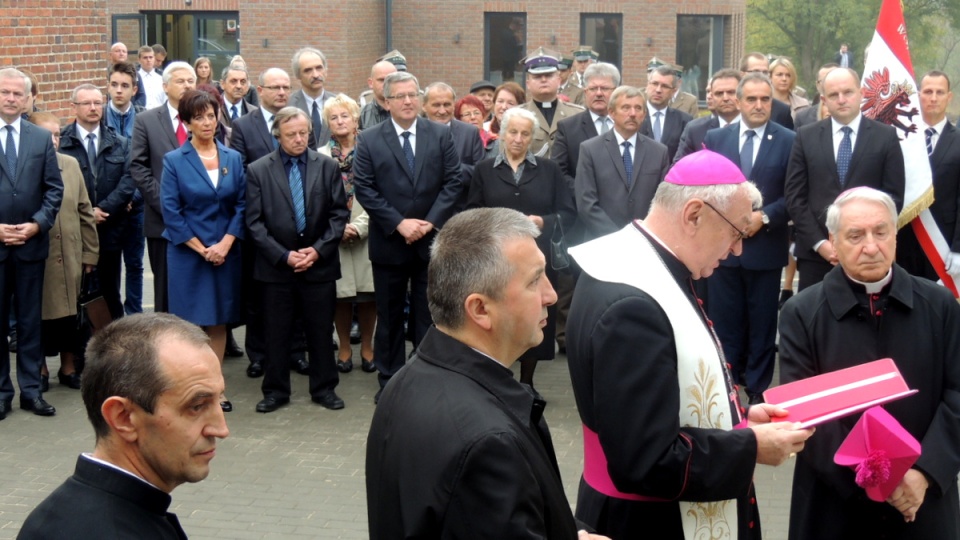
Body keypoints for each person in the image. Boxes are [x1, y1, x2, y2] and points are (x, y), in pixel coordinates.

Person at [566, 149, 814, 539]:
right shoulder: (633, 302)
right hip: (651, 523)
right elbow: (646, 459)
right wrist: (750, 447)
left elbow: (669, 392)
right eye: (735, 232)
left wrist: (740, 420)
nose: (736, 250)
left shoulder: (634, 262)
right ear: (694, 214)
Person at [365, 207, 607, 540]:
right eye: (535, 280)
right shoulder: (490, 443)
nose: (550, 295)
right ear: (480, 309)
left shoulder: (405, 383)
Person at [779, 187, 960, 540]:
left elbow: (957, 395)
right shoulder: (800, 313)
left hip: (921, 497)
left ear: (895, 234)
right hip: (835, 499)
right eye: (855, 235)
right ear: (833, 240)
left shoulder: (940, 306)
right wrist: (874, 481)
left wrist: (923, 473)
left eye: (881, 232)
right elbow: (804, 414)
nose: (871, 246)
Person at [17, 313, 230, 538]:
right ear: (124, 418)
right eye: (196, 406)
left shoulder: (68, 513)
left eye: (219, 399)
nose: (221, 429)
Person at [352, 71, 462, 403]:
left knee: (428, 315)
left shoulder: (439, 135)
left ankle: (427, 376)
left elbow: (453, 181)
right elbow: (365, 188)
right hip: (390, 242)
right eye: (400, 96)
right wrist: (399, 223)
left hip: (430, 241)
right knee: (389, 315)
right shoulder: (369, 139)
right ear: (386, 102)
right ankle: (390, 379)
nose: (408, 101)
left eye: (413, 94)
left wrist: (429, 222)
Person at [245, 107, 349, 413]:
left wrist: (317, 250)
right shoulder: (258, 170)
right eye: (291, 134)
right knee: (276, 332)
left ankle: (324, 388)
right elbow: (254, 223)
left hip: (319, 264)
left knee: (320, 330)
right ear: (277, 134)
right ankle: (276, 390)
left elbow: (338, 214)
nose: (299, 139)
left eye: (304, 133)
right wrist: (283, 255)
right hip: (276, 268)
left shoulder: (327, 166)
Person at [702, 72, 795, 402]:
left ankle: (757, 389)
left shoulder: (788, 140)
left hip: (765, 248)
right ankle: (728, 384)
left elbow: (794, 193)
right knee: (725, 322)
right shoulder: (716, 138)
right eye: (752, 99)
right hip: (723, 249)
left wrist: (765, 216)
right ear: (738, 102)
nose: (759, 105)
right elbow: (707, 188)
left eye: (765, 99)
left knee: (762, 324)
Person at [467, 107, 575, 386]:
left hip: (536, 258)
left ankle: (527, 383)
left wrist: (543, 221)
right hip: (496, 257)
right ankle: (497, 378)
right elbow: (472, 212)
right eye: (512, 132)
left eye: (525, 134)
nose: (518, 138)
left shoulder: (549, 170)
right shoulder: (483, 170)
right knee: (498, 312)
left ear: (533, 138)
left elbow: (568, 212)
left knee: (533, 313)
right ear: (502, 135)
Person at [160, 89, 243, 412]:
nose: (207, 122)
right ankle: (188, 388)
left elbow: (241, 205)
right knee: (190, 324)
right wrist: (202, 248)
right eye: (199, 117)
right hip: (188, 255)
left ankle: (215, 388)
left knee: (218, 321)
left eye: (211, 115)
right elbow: (171, 211)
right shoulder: (174, 161)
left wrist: (224, 244)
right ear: (187, 122)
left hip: (225, 252)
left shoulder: (233, 158)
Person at [784, 67, 905, 289]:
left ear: (860, 93)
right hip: (816, 255)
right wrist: (821, 244)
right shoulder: (806, 136)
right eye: (833, 95)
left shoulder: (885, 137)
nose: (841, 100)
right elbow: (795, 197)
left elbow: (893, 198)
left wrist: (862, 241)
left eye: (847, 92)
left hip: (868, 254)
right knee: (815, 321)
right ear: (823, 100)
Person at [0, 68, 64, 420]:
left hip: (30, 246)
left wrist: (36, 225)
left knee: (29, 322)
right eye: (4, 92)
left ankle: (31, 390)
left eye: (17, 94)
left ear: (27, 99)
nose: (11, 98)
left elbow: (54, 189)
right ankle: (1, 392)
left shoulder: (40, 138)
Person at [30, 112, 98, 391]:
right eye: (47, 136)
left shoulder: (69, 165)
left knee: (71, 317)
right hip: (39, 256)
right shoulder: (22, 167)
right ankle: (40, 368)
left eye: (57, 135)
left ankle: (69, 367)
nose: (54, 141)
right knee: (38, 316)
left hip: (69, 253)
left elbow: (85, 210)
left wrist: (90, 254)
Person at [59, 84, 136, 321]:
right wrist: (85, 213)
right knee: (73, 292)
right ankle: (78, 351)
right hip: (72, 229)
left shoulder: (120, 142)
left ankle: (114, 349)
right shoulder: (61, 142)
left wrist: (103, 208)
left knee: (109, 291)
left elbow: (130, 178)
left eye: (97, 103)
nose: (93, 108)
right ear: (74, 107)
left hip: (110, 229)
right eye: (86, 103)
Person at [130, 61, 197, 313]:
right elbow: (138, 167)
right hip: (162, 222)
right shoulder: (146, 121)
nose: (187, 85)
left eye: (191, 80)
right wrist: (167, 205)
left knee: (199, 286)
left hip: (200, 220)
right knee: (166, 290)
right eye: (181, 81)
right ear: (165, 86)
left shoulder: (206, 119)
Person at [319, 94, 376, 374]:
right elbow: (313, 199)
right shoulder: (318, 155)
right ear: (327, 123)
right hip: (334, 237)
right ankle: (343, 347)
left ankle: (367, 347)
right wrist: (337, 228)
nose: (340, 121)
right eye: (334, 117)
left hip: (368, 233)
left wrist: (361, 226)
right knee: (340, 298)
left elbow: (383, 192)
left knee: (368, 296)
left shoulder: (373, 150)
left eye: (345, 115)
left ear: (356, 119)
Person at [575, 85, 669, 243]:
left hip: (645, 242)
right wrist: (619, 237)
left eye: (638, 108)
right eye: (626, 108)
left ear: (644, 114)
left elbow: (663, 201)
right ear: (611, 112)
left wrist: (644, 233)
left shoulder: (659, 152)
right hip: (602, 241)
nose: (632, 114)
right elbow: (586, 203)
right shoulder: (590, 149)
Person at [896, 70, 960, 280]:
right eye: (928, 91)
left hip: (943, 240)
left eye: (940, 92)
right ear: (918, 95)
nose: (933, 98)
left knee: (942, 307)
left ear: (948, 97)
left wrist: (959, 248)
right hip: (904, 237)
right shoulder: (901, 138)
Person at [519, 47, 585, 157]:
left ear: (559, 80)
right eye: (537, 76)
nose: (544, 80)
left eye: (549, 75)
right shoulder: (516, 115)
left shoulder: (578, 115)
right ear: (528, 83)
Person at [674, 68, 742, 163]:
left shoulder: (754, 128)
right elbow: (679, 169)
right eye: (719, 93)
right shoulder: (695, 130)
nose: (725, 98)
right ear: (712, 97)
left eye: (731, 92)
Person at [640, 65, 692, 163]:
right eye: (655, 84)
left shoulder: (684, 121)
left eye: (664, 86)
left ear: (673, 91)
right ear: (647, 85)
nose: (658, 90)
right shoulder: (634, 117)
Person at [289, 47, 336, 147]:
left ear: (326, 70)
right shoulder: (288, 106)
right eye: (308, 70)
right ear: (298, 76)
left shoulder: (338, 103)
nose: (315, 75)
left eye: (319, 68)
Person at [739, 52, 794, 130]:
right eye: (756, 72)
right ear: (742, 74)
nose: (761, 76)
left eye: (765, 72)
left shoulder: (782, 111)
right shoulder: (730, 104)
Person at [485, 81, 525, 158]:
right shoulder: (483, 130)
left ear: (520, 106)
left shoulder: (526, 133)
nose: (504, 107)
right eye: (500, 101)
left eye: (510, 103)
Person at [359, 60, 397, 130]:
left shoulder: (407, 112)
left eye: (391, 80)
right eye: (382, 80)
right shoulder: (361, 116)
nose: (386, 84)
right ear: (371, 83)